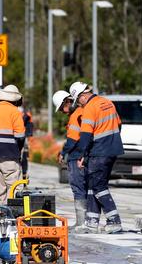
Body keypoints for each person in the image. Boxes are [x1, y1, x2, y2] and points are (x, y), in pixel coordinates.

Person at [70, 82, 124, 234]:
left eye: (78, 100)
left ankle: (114, 221)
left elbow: (86, 135)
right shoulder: (107, 102)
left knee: (99, 187)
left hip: (99, 152)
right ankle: (91, 221)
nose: (79, 104)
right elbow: (119, 124)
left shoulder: (89, 108)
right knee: (94, 185)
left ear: (82, 95)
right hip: (112, 150)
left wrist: (81, 155)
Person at [0, 85, 26, 205]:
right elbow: (20, 136)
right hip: (10, 158)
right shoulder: (14, 112)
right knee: (14, 190)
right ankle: (11, 220)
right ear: (15, 99)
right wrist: (18, 153)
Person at [54, 90, 88, 227]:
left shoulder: (76, 115)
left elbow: (73, 139)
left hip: (76, 156)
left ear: (67, 102)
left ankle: (81, 222)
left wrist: (63, 152)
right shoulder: (82, 111)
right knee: (85, 187)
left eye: (62, 108)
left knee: (78, 187)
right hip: (82, 154)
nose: (62, 111)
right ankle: (88, 220)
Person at [20, 107, 34, 179]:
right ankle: (24, 175)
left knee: (24, 157)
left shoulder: (26, 116)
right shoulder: (27, 115)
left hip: (24, 138)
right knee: (24, 157)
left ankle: (24, 175)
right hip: (23, 137)